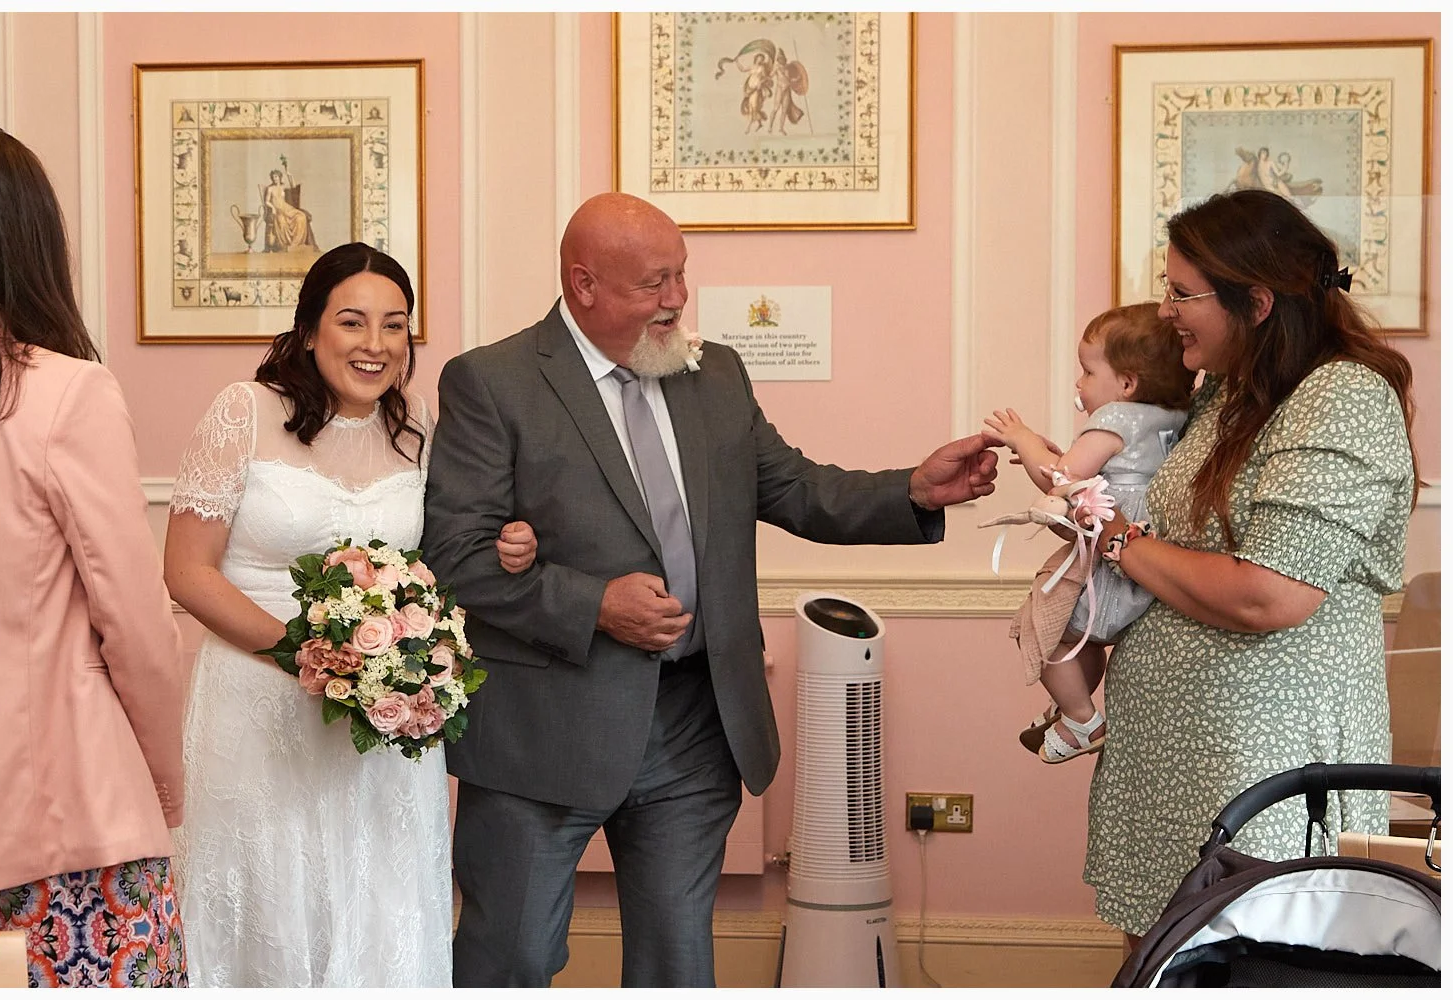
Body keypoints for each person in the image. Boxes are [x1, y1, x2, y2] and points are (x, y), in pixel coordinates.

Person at [422, 191, 1000, 987]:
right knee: (509, 957)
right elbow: (456, 556)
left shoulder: (714, 371)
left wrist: (912, 491)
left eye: (681, 275)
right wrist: (597, 606)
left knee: (678, 963)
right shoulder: (494, 382)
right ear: (583, 285)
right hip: (544, 730)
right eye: (653, 283)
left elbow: (794, 488)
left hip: (696, 723)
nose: (677, 299)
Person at [163, 242, 534, 985]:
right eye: (353, 321)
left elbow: (444, 556)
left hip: (379, 721)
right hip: (256, 711)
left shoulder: (418, 425)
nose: (376, 344)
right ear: (309, 330)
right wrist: (307, 654)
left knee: (378, 907)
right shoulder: (244, 411)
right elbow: (186, 572)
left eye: (395, 325)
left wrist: (512, 546)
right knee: (269, 901)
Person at [1081, 189, 1418, 946]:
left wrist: (1117, 540)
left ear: (1257, 303)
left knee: (1255, 963)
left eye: (1181, 293)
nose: (1165, 311)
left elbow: (1269, 594)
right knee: (1165, 962)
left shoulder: (1340, 396)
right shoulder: (1228, 393)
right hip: (1176, 756)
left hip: (1263, 761)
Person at [0, 123, 189, 987]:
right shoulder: (64, 394)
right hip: (64, 832)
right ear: (27, 241)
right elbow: (136, 628)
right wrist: (163, 785)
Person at [981, 303, 1193, 763]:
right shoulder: (1172, 417)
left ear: (1127, 384)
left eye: (1088, 371)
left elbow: (1062, 479)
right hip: (1143, 554)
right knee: (1086, 638)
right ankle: (1070, 702)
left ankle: (1082, 719)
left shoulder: (1114, 417)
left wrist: (1024, 439)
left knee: (1042, 627)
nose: (1079, 384)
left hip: (1108, 555)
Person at [261, 163, 316, 252]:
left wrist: (289, 175)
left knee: (301, 217)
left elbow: (293, 186)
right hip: (278, 209)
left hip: (286, 208)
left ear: (280, 177)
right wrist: (273, 208)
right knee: (282, 222)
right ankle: (286, 244)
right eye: (273, 177)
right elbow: (267, 201)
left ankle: (296, 243)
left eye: (276, 177)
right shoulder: (270, 189)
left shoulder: (283, 186)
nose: (275, 179)